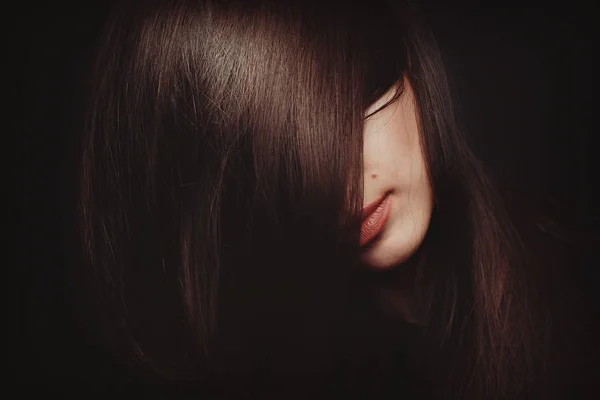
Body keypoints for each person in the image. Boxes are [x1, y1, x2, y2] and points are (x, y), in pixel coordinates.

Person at [75, 0, 596, 397]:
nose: (343, 188)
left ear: (410, 65)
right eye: (270, 165)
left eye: (347, 105)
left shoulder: (570, 267)